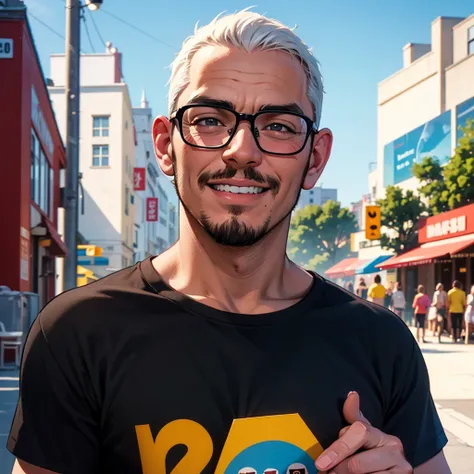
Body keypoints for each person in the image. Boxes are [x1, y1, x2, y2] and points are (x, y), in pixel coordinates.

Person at [9, 11, 449, 474]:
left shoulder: (381, 341)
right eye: (210, 120)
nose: (242, 150)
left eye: (279, 126)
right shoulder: (77, 332)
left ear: (315, 158)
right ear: (164, 145)